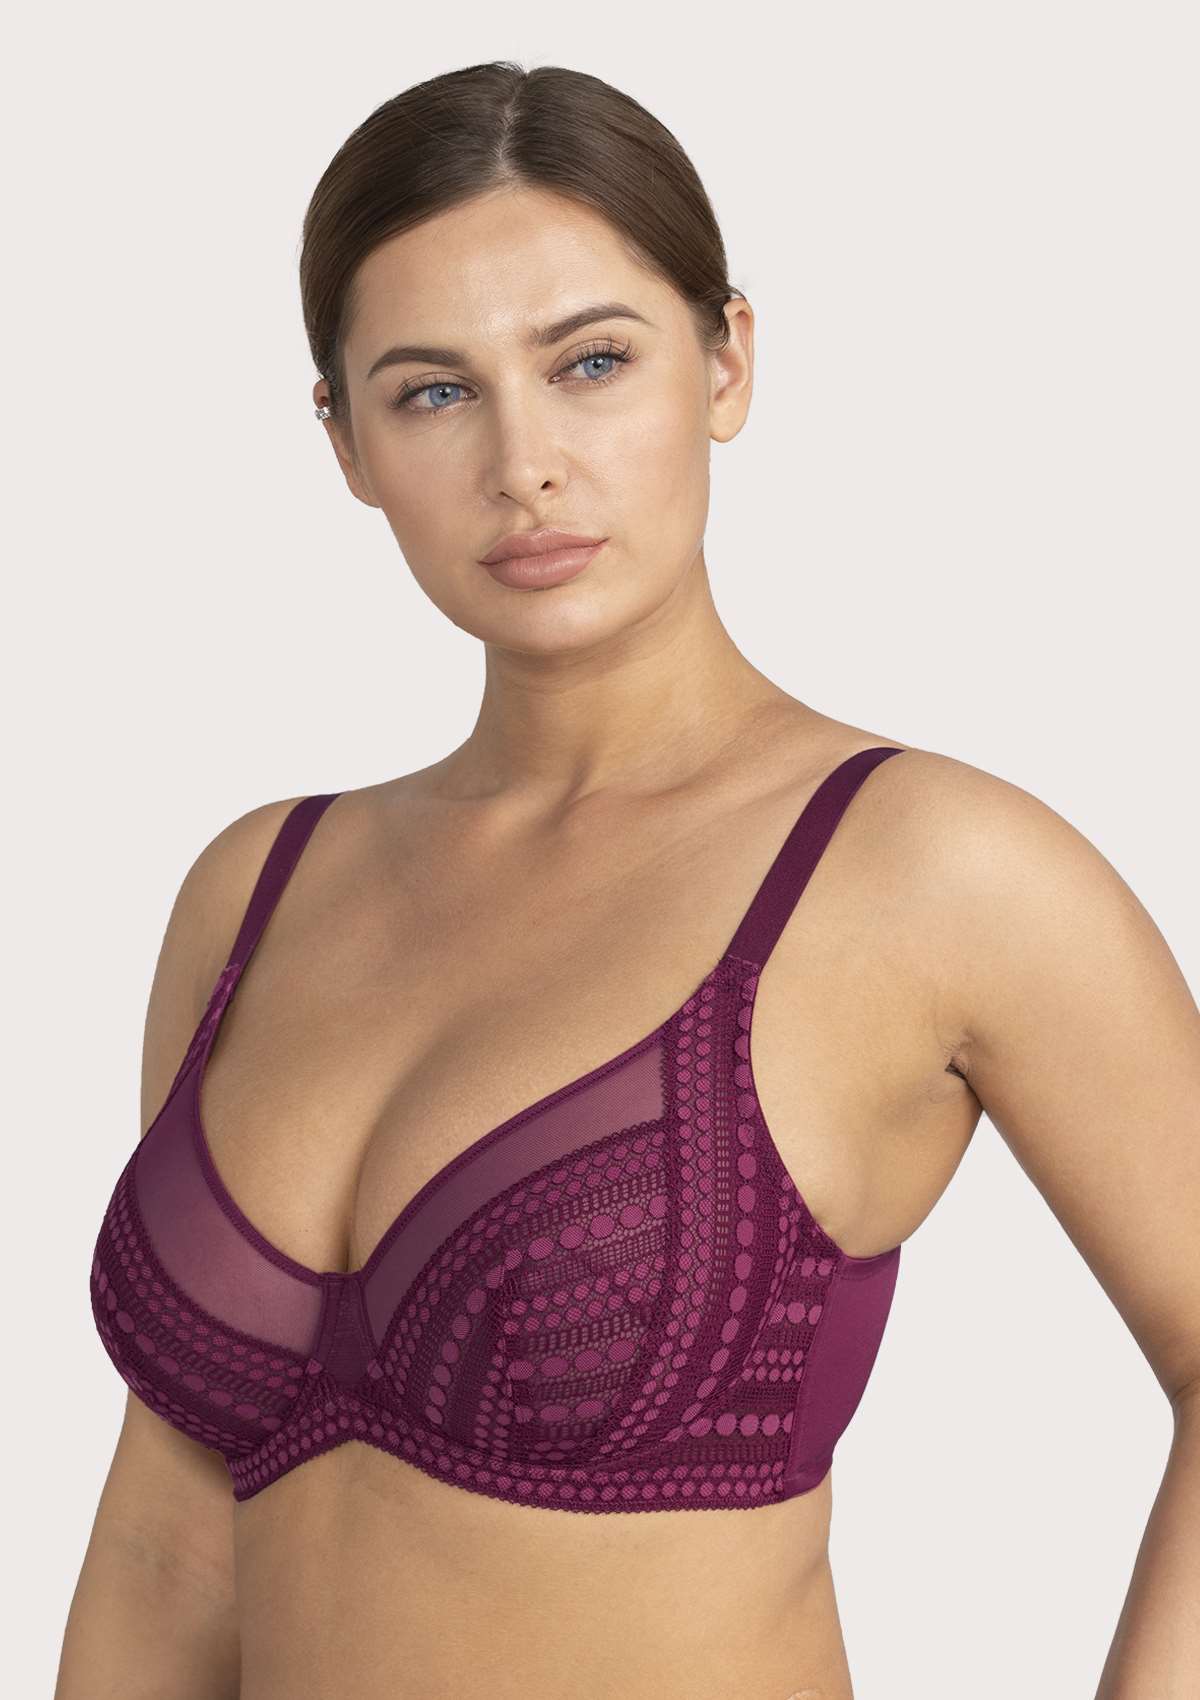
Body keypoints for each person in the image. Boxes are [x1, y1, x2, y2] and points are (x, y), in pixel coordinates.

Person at [57, 60, 1200, 1700]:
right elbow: (166, 1544)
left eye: (590, 363)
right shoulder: (254, 894)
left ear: (727, 362)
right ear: (345, 442)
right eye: (431, 392)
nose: (524, 463)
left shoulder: (930, 868)